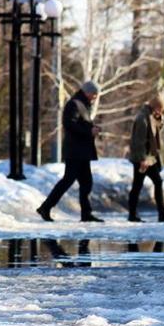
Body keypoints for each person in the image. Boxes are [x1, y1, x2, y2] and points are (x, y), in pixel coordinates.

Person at [37, 81, 103, 222]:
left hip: (81, 151)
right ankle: (45, 207)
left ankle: (86, 213)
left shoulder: (83, 105)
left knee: (86, 182)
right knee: (68, 180)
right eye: (94, 94)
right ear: (87, 92)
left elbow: (80, 123)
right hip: (75, 151)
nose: (95, 97)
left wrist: (92, 128)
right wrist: (89, 131)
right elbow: (69, 124)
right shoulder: (74, 104)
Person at [127, 94, 164, 222]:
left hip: (150, 157)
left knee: (151, 183)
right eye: (161, 109)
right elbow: (138, 141)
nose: (161, 112)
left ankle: (159, 213)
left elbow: (154, 132)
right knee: (140, 185)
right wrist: (142, 159)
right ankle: (135, 214)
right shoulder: (142, 118)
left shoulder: (149, 115)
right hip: (143, 158)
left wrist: (159, 119)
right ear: (155, 107)